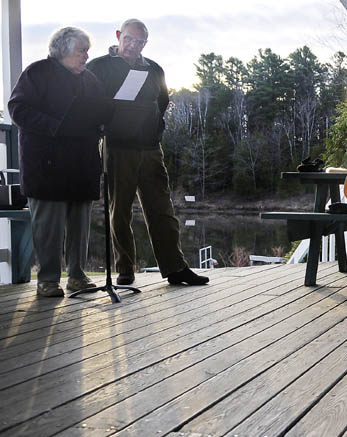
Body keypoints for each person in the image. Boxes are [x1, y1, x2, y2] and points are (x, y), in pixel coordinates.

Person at [86, 19, 208, 286]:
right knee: (120, 212)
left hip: (151, 149)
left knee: (162, 209)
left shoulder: (154, 69)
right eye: (129, 39)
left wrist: (154, 129)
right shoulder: (98, 67)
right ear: (118, 36)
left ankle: (175, 268)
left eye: (140, 42)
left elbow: (162, 102)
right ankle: (125, 269)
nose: (133, 45)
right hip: (117, 147)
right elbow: (86, 102)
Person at [8, 27, 104, 297]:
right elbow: (17, 108)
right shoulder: (36, 73)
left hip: (82, 164)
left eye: (87, 51)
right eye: (81, 51)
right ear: (62, 50)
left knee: (80, 224)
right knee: (48, 226)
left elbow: (99, 111)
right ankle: (48, 280)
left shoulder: (90, 80)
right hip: (47, 164)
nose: (86, 56)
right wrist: (56, 126)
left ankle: (77, 275)